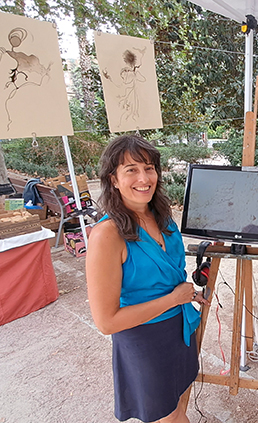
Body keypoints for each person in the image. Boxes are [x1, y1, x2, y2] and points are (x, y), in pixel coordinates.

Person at [86, 135, 208, 423]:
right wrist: (172, 299)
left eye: (149, 168)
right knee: (165, 417)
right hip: (145, 341)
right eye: (131, 170)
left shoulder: (162, 216)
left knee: (178, 408)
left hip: (180, 329)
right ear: (113, 179)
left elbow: (169, 276)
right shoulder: (107, 235)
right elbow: (106, 322)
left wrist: (185, 294)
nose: (144, 177)